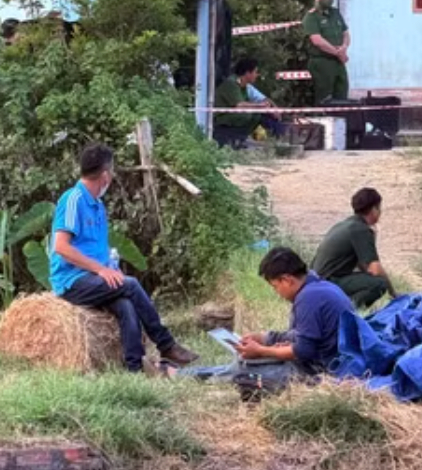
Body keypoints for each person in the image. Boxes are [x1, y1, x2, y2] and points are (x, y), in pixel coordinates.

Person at [50, 144, 198, 375]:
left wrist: (109, 266)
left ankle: (135, 367)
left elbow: (95, 248)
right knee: (130, 285)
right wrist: (101, 270)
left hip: (94, 278)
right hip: (72, 281)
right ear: (106, 175)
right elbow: (60, 247)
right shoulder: (73, 199)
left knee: (126, 305)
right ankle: (166, 344)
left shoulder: (97, 206)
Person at [236, 246, 353, 378]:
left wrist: (261, 351)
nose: (277, 293)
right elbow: (308, 337)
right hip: (339, 358)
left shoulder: (308, 298)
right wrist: (265, 338)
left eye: (275, 287)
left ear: (286, 280)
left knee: (248, 372)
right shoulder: (318, 287)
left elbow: (304, 351)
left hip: (328, 368)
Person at [311, 188, 394, 308]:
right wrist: (393, 293)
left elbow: (364, 265)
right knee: (380, 284)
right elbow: (375, 269)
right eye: (379, 208)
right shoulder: (361, 230)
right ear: (373, 210)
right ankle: (345, 309)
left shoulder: (346, 225)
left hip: (317, 281)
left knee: (371, 280)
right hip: (328, 282)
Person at [212, 57, 286, 148]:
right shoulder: (231, 83)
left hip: (233, 116)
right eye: (255, 72)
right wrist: (260, 106)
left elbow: (263, 99)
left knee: (261, 115)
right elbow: (240, 105)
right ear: (247, 73)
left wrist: (272, 109)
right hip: (222, 118)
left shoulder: (246, 86)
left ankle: (278, 136)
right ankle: (236, 139)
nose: (257, 75)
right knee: (249, 115)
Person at [302, 0, 350, 103]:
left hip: (338, 62)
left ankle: (341, 121)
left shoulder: (335, 13)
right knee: (325, 98)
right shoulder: (311, 17)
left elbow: (346, 33)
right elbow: (317, 40)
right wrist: (337, 53)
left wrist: (344, 47)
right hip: (322, 63)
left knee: (342, 96)